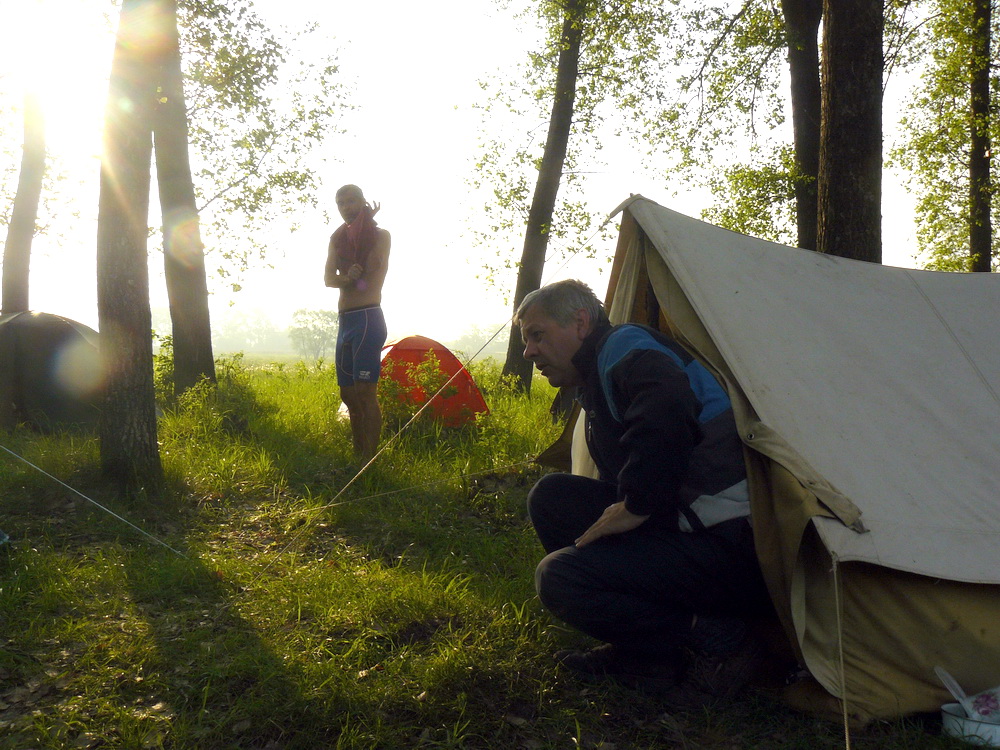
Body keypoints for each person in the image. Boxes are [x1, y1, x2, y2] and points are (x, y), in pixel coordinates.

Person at [516, 279, 771, 707]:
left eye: (537, 335)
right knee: (552, 497)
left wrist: (637, 505)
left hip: (730, 546)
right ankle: (647, 657)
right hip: (683, 528)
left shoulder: (625, 346)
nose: (529, 352)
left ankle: (723, 639)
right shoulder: (596, 374)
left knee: (559, 577)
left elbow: (667, 405)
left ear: (580, 323)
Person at [325, 184, 391, 461]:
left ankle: (369, 459)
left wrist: (365, 226)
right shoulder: (338, 238)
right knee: (348, 395)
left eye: (352, 201)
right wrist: (346, 277)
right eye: (341, 203)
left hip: (367, 318)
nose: (346, 207)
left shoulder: (380, 235)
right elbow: (329, 279)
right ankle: (357, 455)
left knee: (365, 392)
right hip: (345, 322)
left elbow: (373, 267)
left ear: (362, 202)